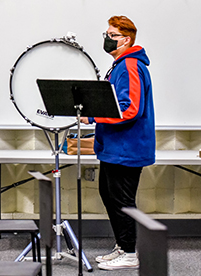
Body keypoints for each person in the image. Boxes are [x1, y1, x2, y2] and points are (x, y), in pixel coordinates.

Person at [81, 16, 155, 270]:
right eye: (107, 33)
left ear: (126, 39)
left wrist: (92, 116)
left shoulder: (131, 65)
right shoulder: (119, 65)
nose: (107, 38)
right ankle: (123, 246)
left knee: (122, 200)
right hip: (114, 149)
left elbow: (130, 109)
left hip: (127, 149)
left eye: (112, 35)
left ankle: (130, 253)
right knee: (109, 195)